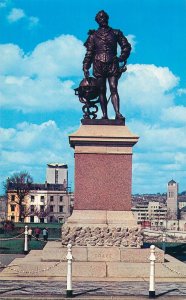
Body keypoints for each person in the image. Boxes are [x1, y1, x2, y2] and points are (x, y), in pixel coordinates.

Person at [83, 10, 131, 120]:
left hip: (112, 64)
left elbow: (126, 46)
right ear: (97, 21)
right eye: (100, 18)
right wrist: (86, 66)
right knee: (101, 90)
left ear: (107, 18)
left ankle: (117, 113)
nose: (102, 19)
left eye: (104, 17)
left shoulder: (116, 32)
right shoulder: (93, 36)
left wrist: (121, 57)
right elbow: (89, 52)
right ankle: (104, 115)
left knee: (113, 88)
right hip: (98, 64)